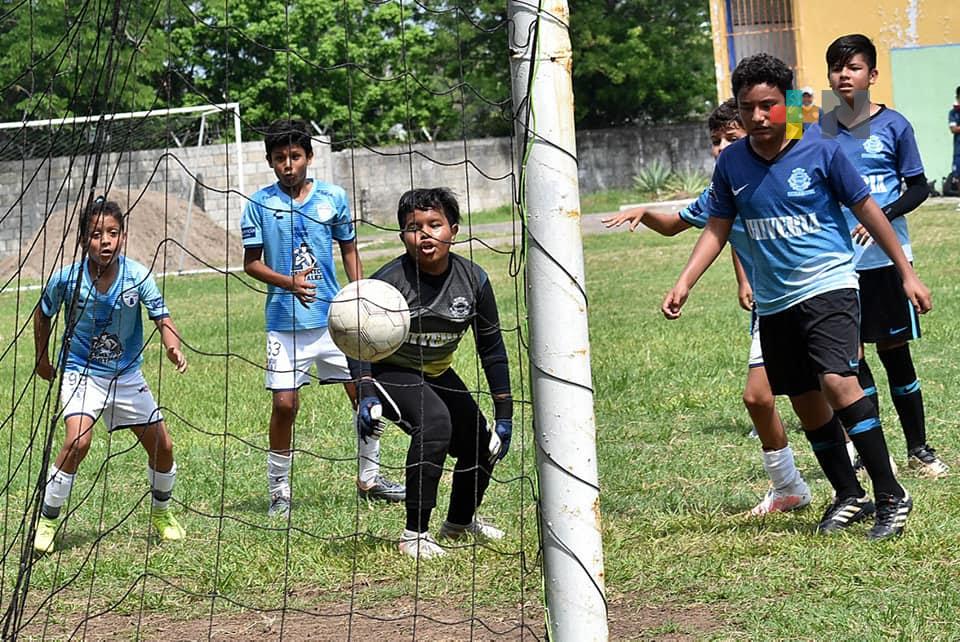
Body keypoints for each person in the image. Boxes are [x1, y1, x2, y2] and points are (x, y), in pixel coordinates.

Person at [662, 53, 932, 540]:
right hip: (775, 299)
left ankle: (892, 492)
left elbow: (869, 211)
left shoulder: (821, 149)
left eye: (769, 105)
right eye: (748, 109)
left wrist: (905, 273)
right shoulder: (734, 164)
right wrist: (685, 281)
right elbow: (717, 227)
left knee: (836, 381)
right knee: (806, 399)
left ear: (786, 102)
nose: (759, 118)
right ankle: (849, 494)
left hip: (829, 283)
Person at [603, 99, 811, 516]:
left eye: (730, 139)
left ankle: (871, 462)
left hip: (817, 295)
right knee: (758, 398)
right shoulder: (723, 189)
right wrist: (645, 213)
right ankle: (789, 486)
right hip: (770, 308)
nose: (720, 148)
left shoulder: (784, 174)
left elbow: (800, 127)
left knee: (835, 386)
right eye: (715, 141)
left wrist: (788, 96)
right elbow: (681, 224)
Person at [240, 119, 404, 518]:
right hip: (284, 322)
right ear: (270, 162)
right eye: (279, 158)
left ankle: (370, 477)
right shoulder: (259, 204)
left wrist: (360, 296)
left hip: (336, 322)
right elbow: (251, 264)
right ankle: (279, 489)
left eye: (295, 156)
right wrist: (288, 282)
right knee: (284, 405)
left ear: (309, 157)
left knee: (365, 397)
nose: (288, 165)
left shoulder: (333, 198)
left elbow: (349, 250)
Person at [356, 187, 513, 559]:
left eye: (434, 224)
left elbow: (491, 349)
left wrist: (504, 416)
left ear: (454, 230)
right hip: (390, 370)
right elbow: (355, 338)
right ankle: (414, 535)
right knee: (436, 423)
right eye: (414, 227)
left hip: (438, 370)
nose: (425, 234)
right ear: (401, 236)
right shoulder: (387, 283)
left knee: (480, 441)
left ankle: (458, 524)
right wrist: (366, 392)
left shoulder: (474, 280)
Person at [819, 34, 946, 478]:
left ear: (872, 75)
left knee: (895, 354)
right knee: (852, 360)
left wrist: (879, 216)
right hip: (837, 266)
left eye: (852, 67)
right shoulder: (821, 126)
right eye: (836, 68)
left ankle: (919, 449)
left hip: (887, 261)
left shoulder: (894, 125)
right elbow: (777, 126)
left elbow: (918, 186)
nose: (843, 75)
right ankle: (876, 452)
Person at [32, 197, 188, 554]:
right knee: (78, 442)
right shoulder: (66, 279)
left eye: (112, 233)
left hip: (126, 375)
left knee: (163, 447)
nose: (105, 241)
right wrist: (42, 359)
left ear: (123, 236)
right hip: (81, 371)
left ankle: (162, 514)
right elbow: (43, 315)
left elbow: (162, 317)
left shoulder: (137, 276)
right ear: (83, 239)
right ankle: (47, 520)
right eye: (96, 234)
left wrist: (172, 345)